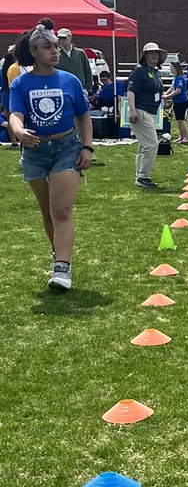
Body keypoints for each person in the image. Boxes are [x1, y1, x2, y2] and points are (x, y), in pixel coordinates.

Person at [7, 21, 93, 291]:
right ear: (33, 51)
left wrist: (87, 147)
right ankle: (60, 256)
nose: (55, 51)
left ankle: (62, 268)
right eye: (48, 47)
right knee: (47, 212)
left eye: (56, 46)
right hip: (34, 152)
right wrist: (19, 131)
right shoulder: (21, 82)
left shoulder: (70, 80)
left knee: (61, 210)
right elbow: (15, 114)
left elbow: (83, 114)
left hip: (66, 148)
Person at [127, 41, 165, 188]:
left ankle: (140, 176)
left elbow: (156, 90)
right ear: (145, 55)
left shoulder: (155, 71)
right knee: (151, 144)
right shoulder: (139, 71)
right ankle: (143, 176)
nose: (154, 55)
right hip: (141, 111)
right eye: (151, 53)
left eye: (156, 53)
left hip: (151, 111)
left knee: (144, 146)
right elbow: (131, 91)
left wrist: (162, 100)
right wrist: (132, 110)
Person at [163, 61, 188, 144]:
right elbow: (171, 88)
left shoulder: (180, 78)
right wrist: (165, 94)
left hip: (182, 101)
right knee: (178, 120)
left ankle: (185, 137)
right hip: (177, 101)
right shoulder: (175, 78)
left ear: (176, 68)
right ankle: (181, 136)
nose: (170, 69)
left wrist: (167, 97)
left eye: (171, 67)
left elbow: (178, 91)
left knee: (181, 120)